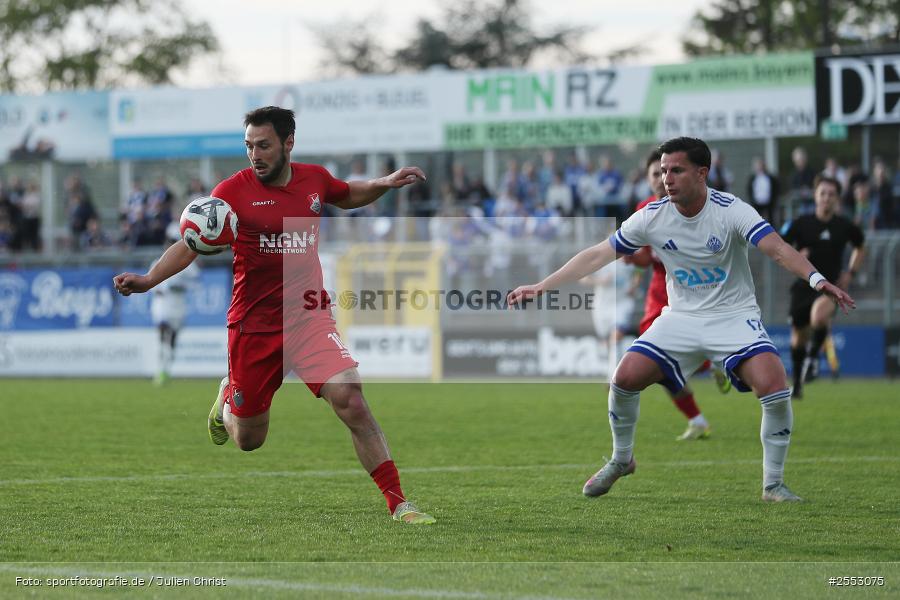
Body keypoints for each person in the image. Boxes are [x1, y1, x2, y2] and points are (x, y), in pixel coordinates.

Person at [113, 106, 435, 525]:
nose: (254, 154)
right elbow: (190, 242)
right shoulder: (231, 191)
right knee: (249, 440)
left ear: (288, 143)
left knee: (351, 400)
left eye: (263, 145)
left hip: (308, 317)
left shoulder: (313, 179)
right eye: (248, 146)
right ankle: (227, 397)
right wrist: (148, 279)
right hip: (255, 326)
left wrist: (383, 184)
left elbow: (347, 193)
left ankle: (398, 503)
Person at [508, 137, 855, 503]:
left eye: (676, 170)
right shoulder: (653, 216)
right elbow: (597, 255)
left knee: (773, 384)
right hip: (680, 319)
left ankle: (772, 485)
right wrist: (542, 286)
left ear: (702, 173)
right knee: (623, 379)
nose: (666, 179)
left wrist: (818, 280)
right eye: (662, 171)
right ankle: (622, 459)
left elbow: (779, 250)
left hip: (733, 316)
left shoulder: (731, 210)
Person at [630, 150, 727, 442]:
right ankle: (697, 417)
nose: (663, 179)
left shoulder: (694, 206)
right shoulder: (645, 210)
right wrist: (632, 259)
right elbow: (646, 259)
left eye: (668, 172)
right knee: (656, 361)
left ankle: (717, 360)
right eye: (656, 174)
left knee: (665, 359)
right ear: (649, 180)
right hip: (660, 290)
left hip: (692, 289)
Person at [780, 176, 865, 398]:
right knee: (798, 337)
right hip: (802, 286)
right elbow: (780, 245)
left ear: (837, 199)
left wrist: (850, 272)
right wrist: (797, 256)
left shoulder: (844, 226)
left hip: (830, 288)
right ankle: (797, 385)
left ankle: (812, 360)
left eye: (831, 194)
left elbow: (860, 246)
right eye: (823, 193)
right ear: (816, 196)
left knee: (819, 317)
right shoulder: (801, 223)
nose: (826, 198)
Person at [150, 224, 200, 385]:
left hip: (178, 304)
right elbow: (153, 286)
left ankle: (166, 368)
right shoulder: (157, 262)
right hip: (163, 303)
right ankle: (161, 369)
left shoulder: (187, 265)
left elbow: (196, 283)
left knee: (172, 337)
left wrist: (181, 287)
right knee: (162, 333)